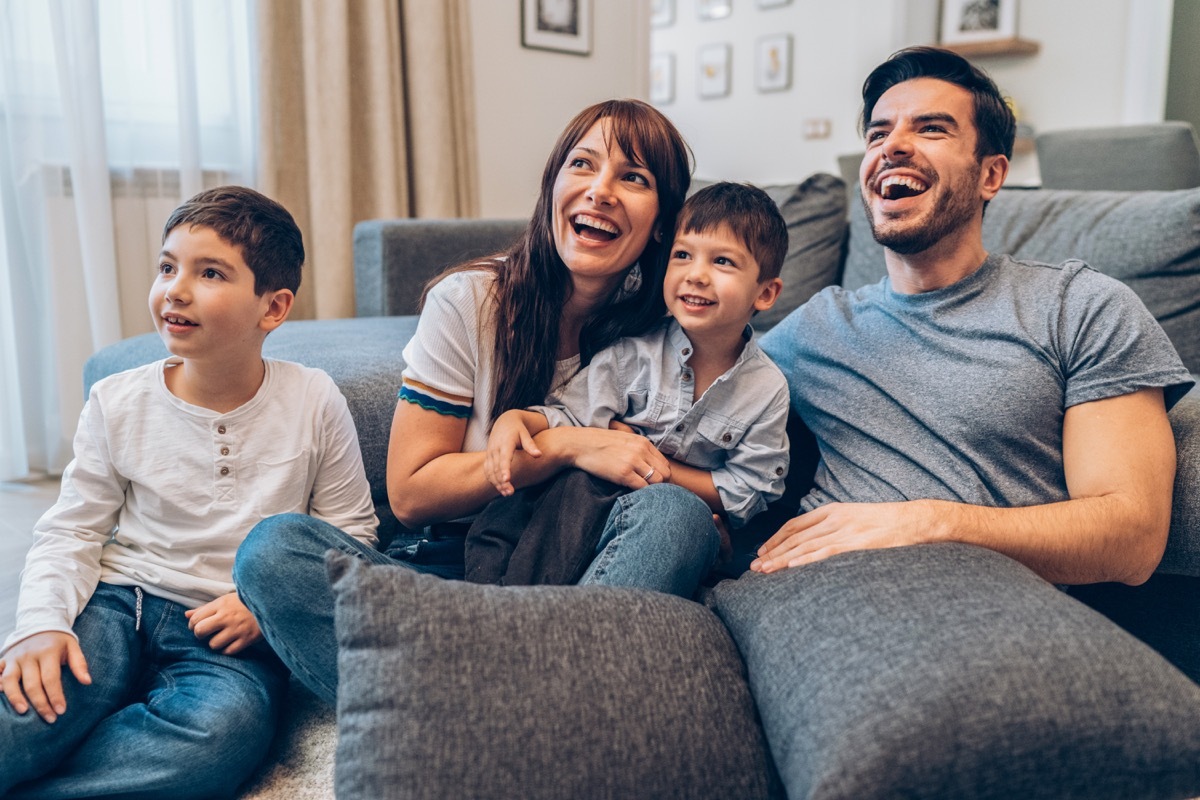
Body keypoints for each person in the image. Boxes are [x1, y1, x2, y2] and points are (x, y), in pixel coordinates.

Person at [234, 99, 721, 708]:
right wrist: (570, 445)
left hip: (585, 571)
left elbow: (713, 479)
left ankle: (472, 709)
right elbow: (412, 494)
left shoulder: (672, 328)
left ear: (662, 222)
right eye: (583, 165)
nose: (600, 191)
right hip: (454, 573)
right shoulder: (471, 301)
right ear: (552, 186)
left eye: (634, 178)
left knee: (675, 518)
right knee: (275, 552)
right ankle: (551, 701)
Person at [754, 46, 1194, 583]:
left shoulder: (1080, 307)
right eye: (877, 133)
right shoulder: (817, 326)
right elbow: (686, 391)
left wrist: (928, 522)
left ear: (991, 175)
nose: (892, 146)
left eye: (931, 129)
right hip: (797, 586)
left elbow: (1132, 538)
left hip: (985, 605)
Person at [0, 186, 378, 799]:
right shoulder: (117, 401)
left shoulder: (313, 399)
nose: (175, 288)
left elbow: (350, 535)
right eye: (168, 266)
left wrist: (263, 609)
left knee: (221, 738)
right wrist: (42, 624)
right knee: (26, 708)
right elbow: (71, 530)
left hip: (226, 632)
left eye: (210, 273)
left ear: (273, 307)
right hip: (117, 603)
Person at [478, 181, 791, 583]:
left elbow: (750, 489)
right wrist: (518, 420)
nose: (695, 275)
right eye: (682, 255)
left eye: (723, 262)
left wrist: (649, 464)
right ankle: (527, 605)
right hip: (584, 519)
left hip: (665, 532)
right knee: (551, 500)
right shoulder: (632, 355)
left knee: (679, 515)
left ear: (765, 293)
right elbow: (568, 417)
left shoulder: (766, 389)